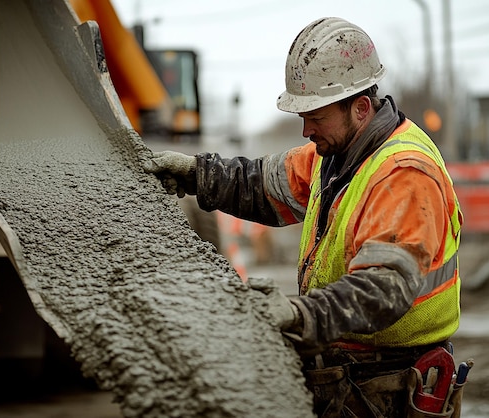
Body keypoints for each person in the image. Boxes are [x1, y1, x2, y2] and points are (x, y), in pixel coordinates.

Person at [144, 17, 463, 417]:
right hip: (352, 375)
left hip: (391, 385)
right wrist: (197, 174)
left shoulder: (403, 173)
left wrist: (300, 314)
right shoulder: (335, 155)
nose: (305, 129)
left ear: (360, 108)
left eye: (315, 116)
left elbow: (382, 290)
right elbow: (260, 184)